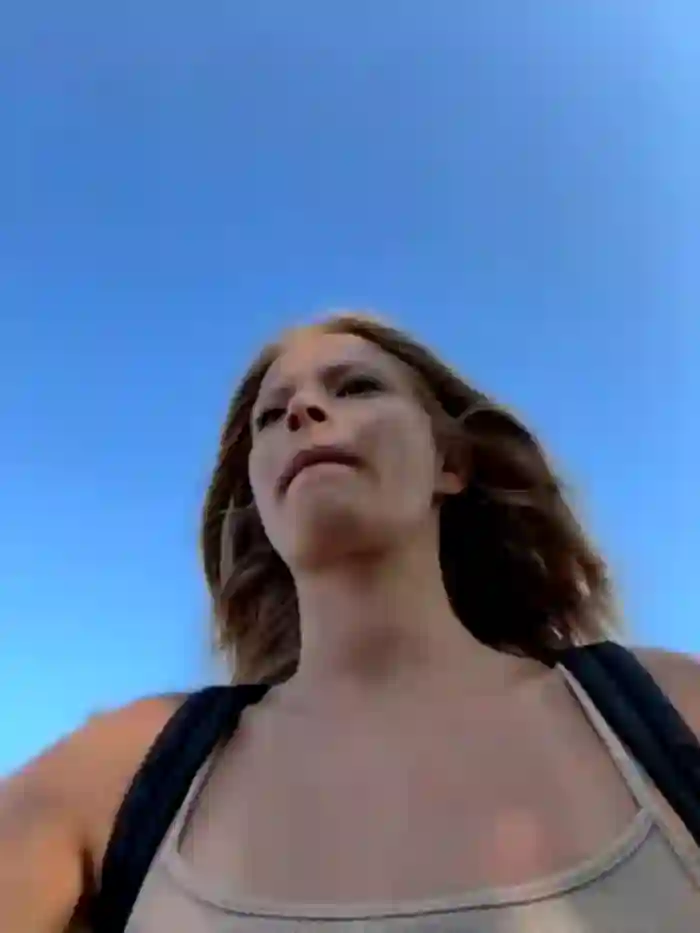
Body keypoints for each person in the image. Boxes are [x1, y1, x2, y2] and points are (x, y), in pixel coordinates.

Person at [2, 312, 700, 933]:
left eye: (356, 387)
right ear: (260, 502)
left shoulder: (666, 710)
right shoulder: (121, 773)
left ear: (450, 463)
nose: (302, 410)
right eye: (270, 416)